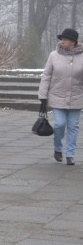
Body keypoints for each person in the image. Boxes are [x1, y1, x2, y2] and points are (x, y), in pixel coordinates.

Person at [39, 28, 83, 166]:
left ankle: (70, 154)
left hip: (77, 96)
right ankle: (58, 148)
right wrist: (43, 95)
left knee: (73, 126)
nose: (62, 41)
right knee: (59, 124)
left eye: (65, 39)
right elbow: (46, 76)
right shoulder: (53, 55)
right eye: (62, 39)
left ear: (73, 41)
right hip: (57, 96)